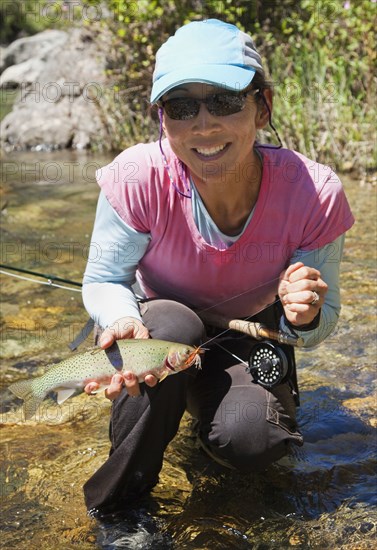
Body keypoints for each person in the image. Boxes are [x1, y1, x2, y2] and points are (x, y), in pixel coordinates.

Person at [81, 19, 354, 516]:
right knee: (169, 325)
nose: (203, 125)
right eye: (182, 106)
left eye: (225, 101)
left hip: (247, 333)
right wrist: (121, 319)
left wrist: (303, 315)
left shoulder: (314, 192)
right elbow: (103, 279)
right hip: (158, 327)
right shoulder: (136, 176)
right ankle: (119, 510)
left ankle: (205, 420)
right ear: (163, 118)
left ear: (262, 107)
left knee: (254, 441)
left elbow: (321, 323)